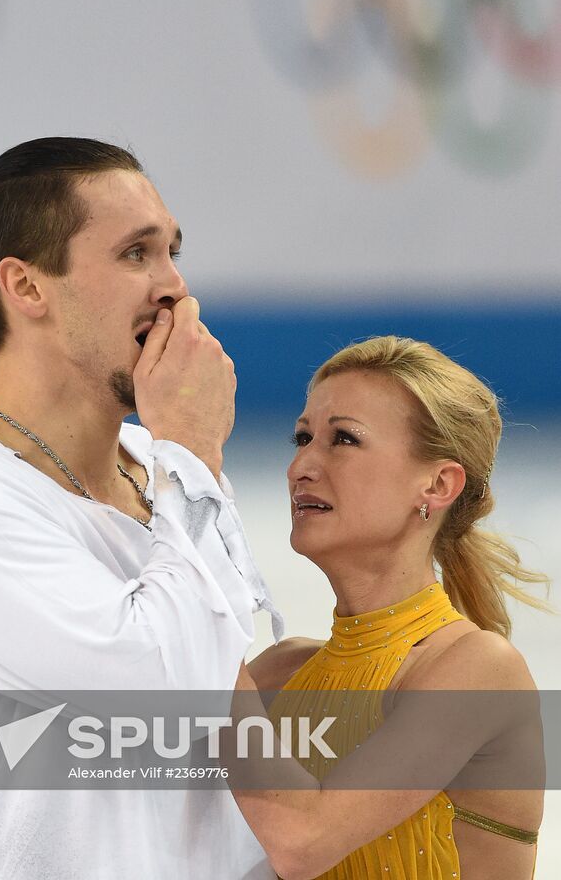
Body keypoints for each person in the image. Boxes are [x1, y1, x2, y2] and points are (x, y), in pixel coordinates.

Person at [0, 137, 281, 880]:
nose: (174, 287)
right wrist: (192, 453)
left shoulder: (161, 464)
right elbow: (159, 695)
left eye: (173, 252)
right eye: (136, 254)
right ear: (26, 287)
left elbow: (226, 721)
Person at [232, 336, 549, 880]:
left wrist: (203, 628)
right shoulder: (277, 675)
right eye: (302, 438)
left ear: (438, 484)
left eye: (344, 439)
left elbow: (304, 842)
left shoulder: (477, 670)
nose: (300, 465)